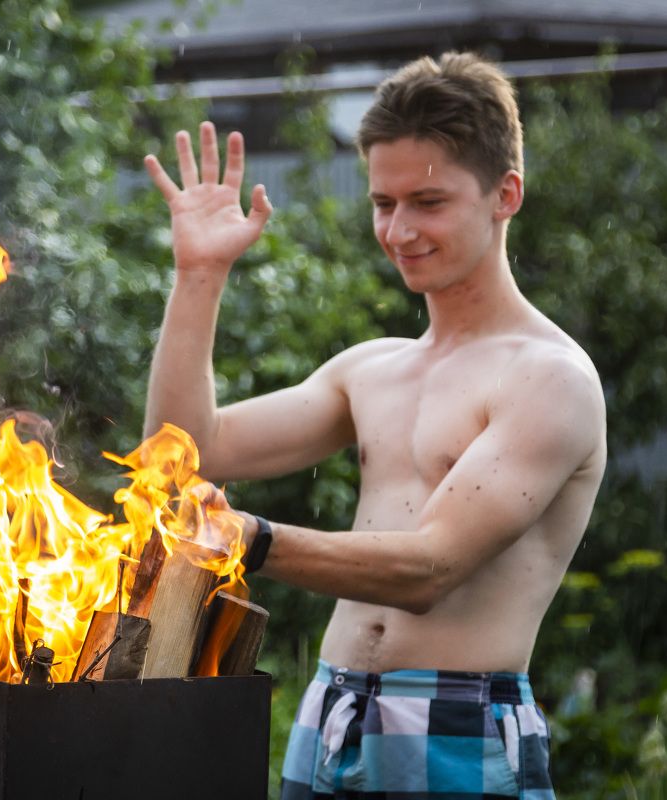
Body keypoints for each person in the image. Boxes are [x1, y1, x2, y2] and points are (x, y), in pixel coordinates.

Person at [142, 51, 605, 799]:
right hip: (331, 709)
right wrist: (199, 276)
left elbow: (430, 570)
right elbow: (181, 456)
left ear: (505, 194)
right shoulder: (373, 368)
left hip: (459, 720)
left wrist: (251, 541)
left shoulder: (550, 377)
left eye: (428, 202)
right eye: (383, 203)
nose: (399, 230)